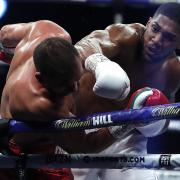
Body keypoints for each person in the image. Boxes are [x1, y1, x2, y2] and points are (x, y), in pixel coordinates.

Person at [0, 20, 132, 179]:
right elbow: (85, 144)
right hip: (24, 152)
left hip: (46, 140)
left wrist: (7, 51)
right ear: (41, 79)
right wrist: (130, 118)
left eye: (77, 79)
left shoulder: (47, 30)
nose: (74, 89)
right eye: (65, 87)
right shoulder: (42, 105)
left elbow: (5, 33)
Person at [72, 2, 180, 180]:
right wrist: (100, 63)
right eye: (155, 29)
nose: (157, 40)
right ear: (148, 22)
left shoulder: (173, 71)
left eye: (168, 37)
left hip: (126, 139)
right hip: (84, 129)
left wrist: (154, 123)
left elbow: (164, 118)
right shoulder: (126, 36)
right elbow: (84, 46)